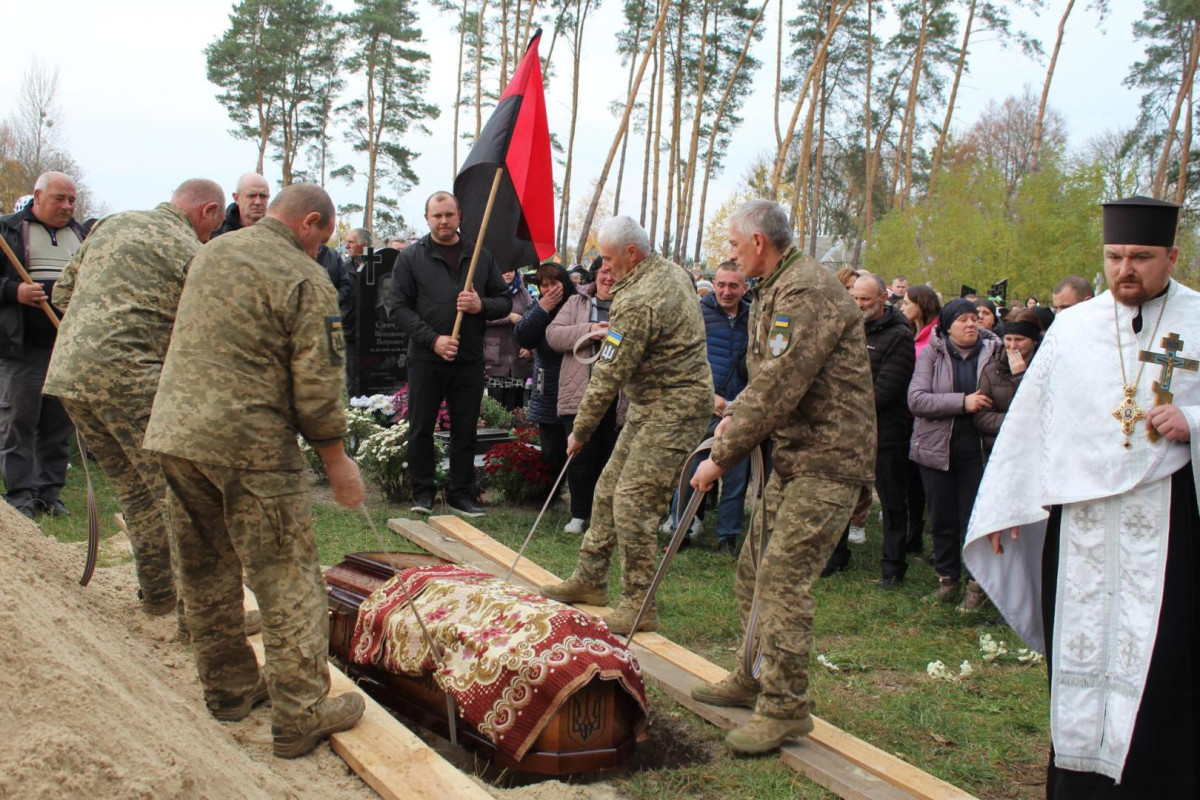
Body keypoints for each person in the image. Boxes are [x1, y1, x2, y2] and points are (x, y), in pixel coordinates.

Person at [965, 196, 1199, 798]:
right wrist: (1008, 505)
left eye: (1142, 258)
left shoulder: (1198, 319)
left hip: (1171, 523)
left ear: (1172, 256)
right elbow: (1033, 424)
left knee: (1165, 664)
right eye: (1115, 256)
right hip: (1082, 528)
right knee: (1081, 659)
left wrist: (1194, 421)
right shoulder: (1074, 327)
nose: (1126, 269)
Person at [143, 183, 366, 758]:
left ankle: (229, 689)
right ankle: (301, 712)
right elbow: (318, 383)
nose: (322, 250)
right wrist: (336, 460)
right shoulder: (305, 278)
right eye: (323, 238)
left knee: (204, 566)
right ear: (310, 223)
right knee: (285, 575)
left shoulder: (212, 251)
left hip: (176, 433)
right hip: (250, 444)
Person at [688, 200, 875, 755]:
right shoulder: (776, 284)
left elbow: (778, 381)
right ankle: (753, 673)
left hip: (830, 459)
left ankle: (787, 707)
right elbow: (765, 378)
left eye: (733, 243)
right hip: (796, 455)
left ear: (759, 244)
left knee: (782, 578)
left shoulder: (806, 291)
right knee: (752, 571)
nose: (728, 253)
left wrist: (722, 453)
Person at [43, 179, 226, 619]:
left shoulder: (110, 224)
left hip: (68, 373)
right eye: (214, 223)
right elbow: (203, 328)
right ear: (208, 211)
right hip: (130, 379)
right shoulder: (193, 252)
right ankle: (198, 616)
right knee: (178, 495)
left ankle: (159, 596)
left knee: (134, 491)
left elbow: (62, 294)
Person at [540, 216, 711, 635]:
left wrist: (580, 430)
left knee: (634, 502)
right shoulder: (667, 271)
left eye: (611, 259)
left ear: (632, 253)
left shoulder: (640, 299)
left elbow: (609, 373)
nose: (606, 268)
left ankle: (638, 603)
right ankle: (591, 578)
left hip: (675, 409)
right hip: (650, 404)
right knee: (607, 488)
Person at [386, 191, 511, 518]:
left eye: (449, 215)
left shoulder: (479, 255)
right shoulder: (411, 257)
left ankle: (461, 493)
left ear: (459, 217)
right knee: (421, 427)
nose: (443, 221)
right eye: (437, 215)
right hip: (427, 359)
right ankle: (424, 492)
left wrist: (481, 305)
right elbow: (397, 307)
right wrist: (433, 340)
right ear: (427, 218)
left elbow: (504, 301)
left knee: (465, 429)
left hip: (468, 358)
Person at [0, 171, 87, 519]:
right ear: (37, 196)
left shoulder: (80, 235)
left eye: (72, 200)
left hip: (65, 346)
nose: (67, 206)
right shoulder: (7, 231)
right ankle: (20, 496)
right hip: (23, 346)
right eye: (59, 199)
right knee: (18, 421)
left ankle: (49, 494)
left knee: (57, 425)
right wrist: (14, 291)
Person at [908, 299, 1001, 611]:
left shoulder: (995, 351)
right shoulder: (933, 353)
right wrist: (963, 402)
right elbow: (918, 400)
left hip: (979, 448)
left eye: (975, 318)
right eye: (963, 319)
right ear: (947, 326)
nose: (971, 324)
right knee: (942, 517)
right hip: (937, 446)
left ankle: (977, 586)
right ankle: (947, 580)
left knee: (973, 519)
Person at [664, 261, 753, 555]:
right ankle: (681, 531)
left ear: (745, 287)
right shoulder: (696, 313)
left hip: (740, 409)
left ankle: (727, 538)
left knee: (736, 476)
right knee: (691, 470)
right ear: (714, 284)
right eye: (722, 284)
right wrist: (709, 394)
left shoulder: (755, 319)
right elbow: (682, 359)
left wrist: (740, 403)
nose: (727, 291)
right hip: (703, 405)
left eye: (733, 285)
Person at [847, 274, 917, 588]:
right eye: (855, 298)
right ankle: (836, 555)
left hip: (885, 430)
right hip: (847, 428)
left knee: (890, 501)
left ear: (882, 299)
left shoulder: (899, 334)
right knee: (843, 495)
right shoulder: (846, 327)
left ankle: (892, 566)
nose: (859, 305)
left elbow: (887, 389)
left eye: (866, 299)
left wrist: (842, 404)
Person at [546, 260, 624, 534]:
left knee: (612, 458)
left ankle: (605, 519)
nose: (609, 277)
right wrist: (589, 332)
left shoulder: (632, 303)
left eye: (615, 272)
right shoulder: (576, 302)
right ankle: (579, 513)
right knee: (581, 456)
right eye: (604, 271)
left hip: (618, 396)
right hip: (579, 392)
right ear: (596, 274)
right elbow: (553, 336)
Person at [516, 263, 577, 500]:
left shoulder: (577, 304)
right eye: (545, 285)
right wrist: (542, 309)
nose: (550, 289)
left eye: (555, 283)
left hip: (573, 383)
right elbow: (523, 337)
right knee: (551, 446)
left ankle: (578, 496)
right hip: (547, 383)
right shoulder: (539, 306)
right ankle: (550, 495)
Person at [974, 308, 1043, 461]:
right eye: (1008, 339)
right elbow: (982, 418)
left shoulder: (1047, 369)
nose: (1012, 346)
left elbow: (1043, 411)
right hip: (1000, 451)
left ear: (1034, 340)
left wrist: (1020, 377)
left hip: (1035, 452)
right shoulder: (992, 371)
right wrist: (1018, 420)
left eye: (1019, 340)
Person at [484, 268, 534, 411]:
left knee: (515, 408)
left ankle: (515, 433)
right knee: (496, 409)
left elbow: (532, 318)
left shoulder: (522, 292)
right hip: (495, 358)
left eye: (511, 270)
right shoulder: (489, 291)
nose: (507, 273)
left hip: (517, 360)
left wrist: (529, 346)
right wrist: (508, 317)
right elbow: (482, 316)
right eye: (503, 270)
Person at [901, 284, 941, 358]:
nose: (902, 308)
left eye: (906, 304)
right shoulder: (908, 332)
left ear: (920, 304)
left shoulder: (937, 336)